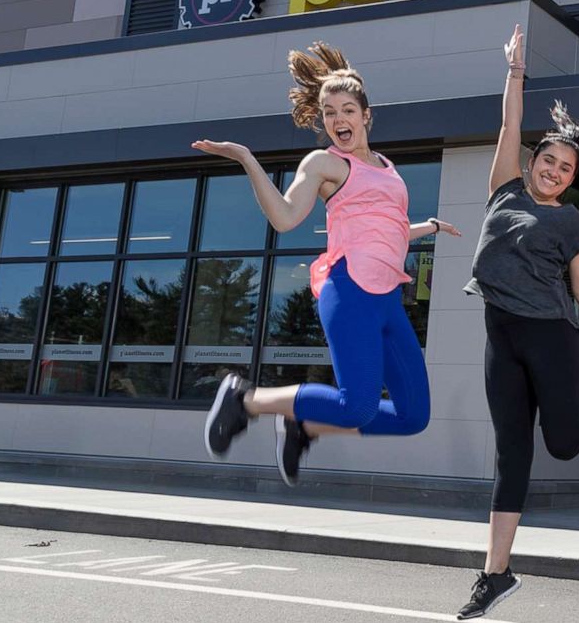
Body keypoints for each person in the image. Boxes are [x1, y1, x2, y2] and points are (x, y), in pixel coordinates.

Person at [194, 41, 460, 485]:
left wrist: (426, 227)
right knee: (358, 405)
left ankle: (306, 424)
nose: (339, 120)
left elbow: (383, 229)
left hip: (388, 301)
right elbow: (283, 217)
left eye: (348, 111)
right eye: (330, 113)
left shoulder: (387, 167)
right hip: (350, 291)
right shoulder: (324, 164)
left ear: (366, 115)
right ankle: (247, 400)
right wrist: (245, 158)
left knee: (414, 416)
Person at [455, 23, 579, 621]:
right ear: (533, 161)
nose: (555, 172)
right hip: (499, 335)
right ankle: (494, 574)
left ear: (571, 178)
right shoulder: (504, 190)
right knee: (512, 453)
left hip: (552, 336)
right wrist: (515, 70)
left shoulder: (569, 224)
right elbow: (510, 123)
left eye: (565, 169)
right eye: (549, 161)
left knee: (561, 445)